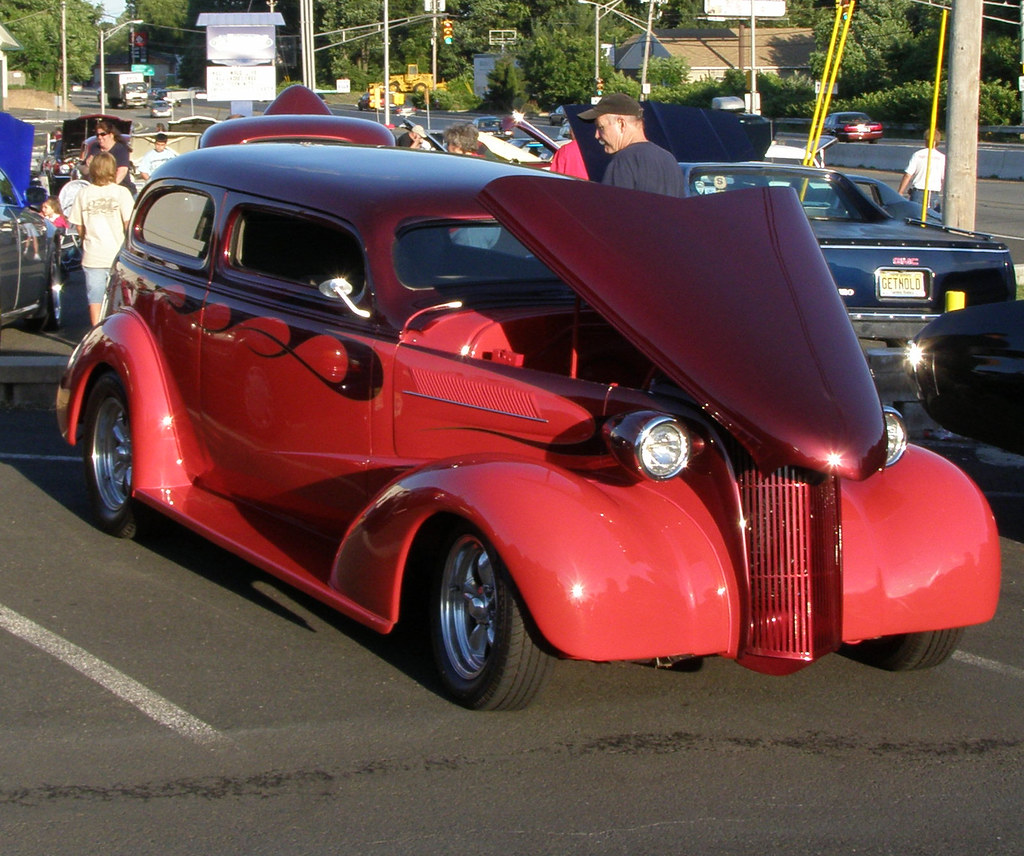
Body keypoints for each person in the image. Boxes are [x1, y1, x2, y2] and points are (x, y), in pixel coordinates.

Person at [68, 152, 134, 325]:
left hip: (93, 254)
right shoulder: (122, 192)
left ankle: (96, 331)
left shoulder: (83, 193)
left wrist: (86, 238)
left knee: (95, 298)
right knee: (119, 300)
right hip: (117, 255)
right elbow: (129, 225)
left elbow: (79, 226)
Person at [578, 93, 684, 196]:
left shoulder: (623, 161)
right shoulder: (669, 159)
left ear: (621, 124)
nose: (597, 135)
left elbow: (611, 209)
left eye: (601, 127)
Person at [84, 120, 136, 197]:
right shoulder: (94, 147)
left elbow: (122, 171)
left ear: (111, 135)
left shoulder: (120, 149)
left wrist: (110, 189)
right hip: (98, 191)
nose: (100, 137)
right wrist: (88, 164)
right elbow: (85, 168)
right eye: (97, 135)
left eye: (103, 134)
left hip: (121, 190)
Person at [898, 129, 945, 212]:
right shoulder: (942, 157)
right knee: (933, 221)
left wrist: (900, 192)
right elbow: (944, 178)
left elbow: (908, 175)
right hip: (934, 194)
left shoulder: (918, 155)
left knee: (916, 220)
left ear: (925, 140)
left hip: (918, 193)